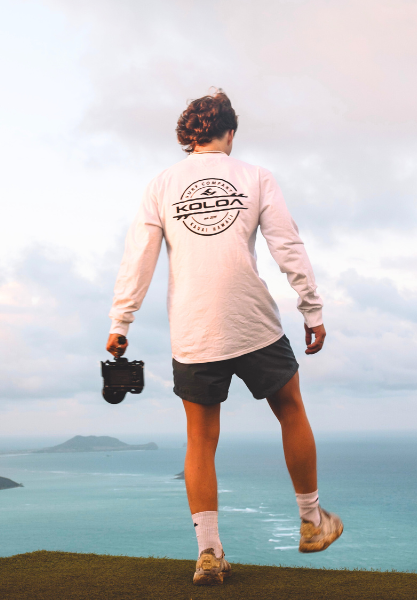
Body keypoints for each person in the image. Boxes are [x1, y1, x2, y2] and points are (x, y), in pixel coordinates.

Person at [106, 89, 343, 586]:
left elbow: (138, 258)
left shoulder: (161, 185)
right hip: (251, 319)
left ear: (189, 136)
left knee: (200, 439)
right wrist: (311, 308)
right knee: (291, 410)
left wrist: (120, 323)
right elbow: (286, 244)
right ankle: (311, 521)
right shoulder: (256, 176)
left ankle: (208, 552)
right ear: (229, 133)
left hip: (193, 330)